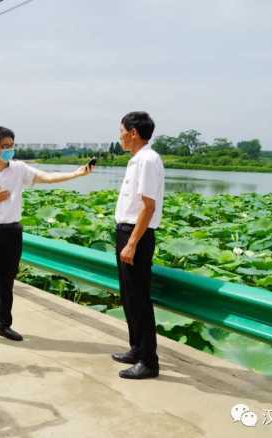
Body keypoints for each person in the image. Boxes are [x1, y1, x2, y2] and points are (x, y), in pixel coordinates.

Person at [0, 126, 93, 347]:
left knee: (7, 281)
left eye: (12, 146)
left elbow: (47, 177)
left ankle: (3, 324)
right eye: (5, 147)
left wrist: (76, 173)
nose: (9, 151)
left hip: (12, 231)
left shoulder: (19, 169)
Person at [110, 111, 165, 380]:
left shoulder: (147, 160)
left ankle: (148, 361)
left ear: (133, 132)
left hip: (137, 235)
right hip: (127, 231)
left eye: (121, 130)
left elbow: (148, 206)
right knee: (128, 296)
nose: (119, 135)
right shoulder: (137, 160)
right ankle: (136, 348)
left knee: (139, 299)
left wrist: (132, 243)